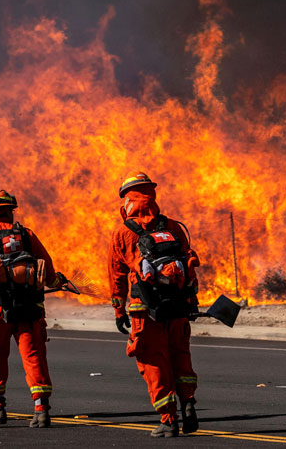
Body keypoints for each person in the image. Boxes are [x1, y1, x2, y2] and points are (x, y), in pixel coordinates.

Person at [107, 172, 201, 438]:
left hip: (144, 310)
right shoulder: (174, 227)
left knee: (153, 361)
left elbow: (116, 276)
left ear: (126, 202)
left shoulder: (123, 233)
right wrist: (191, 301)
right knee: (180, 355)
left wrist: (118, 310)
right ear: (152, 196)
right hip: (178, 304)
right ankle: (189, 402)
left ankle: (168, 419)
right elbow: (189, 267)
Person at [0, 189, 59, 428]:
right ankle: (41, 411)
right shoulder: (27, 235)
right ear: (11, 211)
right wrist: (58, 282)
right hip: (30, 307)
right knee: (34, 356)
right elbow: (47, 270)